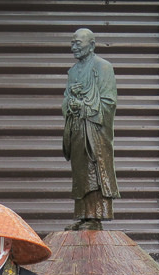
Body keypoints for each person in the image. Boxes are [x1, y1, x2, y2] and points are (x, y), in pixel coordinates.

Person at [62, 28, 119, 230]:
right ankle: (84, 216)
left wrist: (85, 105)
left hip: (95, 130)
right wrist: (71, 103)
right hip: (78, 128)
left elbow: (109, 102)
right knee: (80, 172)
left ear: (92, 45)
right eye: (72, 43)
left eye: (78, 43)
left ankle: (95, 217)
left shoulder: (103, 67)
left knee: (96, 168)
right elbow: (65, 101)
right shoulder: (73, 72)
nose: (74, 47)